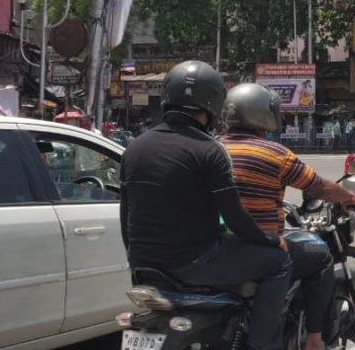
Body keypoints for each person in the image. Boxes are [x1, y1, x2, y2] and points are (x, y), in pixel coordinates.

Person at [120, 61, 291, 350]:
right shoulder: (209, 150)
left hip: (144, 266)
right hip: (193, 263)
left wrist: (135, 258)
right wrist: (270, 239)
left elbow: (126, 214)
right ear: (212, 103)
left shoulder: (135, 147)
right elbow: (234, 215)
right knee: (278, 263)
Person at [220, 83, 355, 350]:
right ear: (263, 115)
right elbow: (318, 186)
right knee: (320, 256)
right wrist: (348, 197)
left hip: (218, 247)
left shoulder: (212, 148)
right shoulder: (274, 153)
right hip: (260, 246)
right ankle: (315, 339)